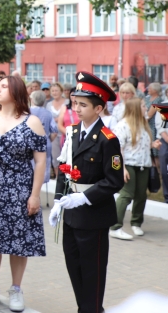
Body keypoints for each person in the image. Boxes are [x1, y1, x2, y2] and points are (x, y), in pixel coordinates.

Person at [49, 72, 124, 313]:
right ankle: (86, 308)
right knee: (75, 267)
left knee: (92, 270)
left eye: (83, 104)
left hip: (93, 215)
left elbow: (114, 181)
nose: (77, 108)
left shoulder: (107, 139)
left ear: (99, 108)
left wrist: (84, 196)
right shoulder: (71, 132)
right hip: (71, 215)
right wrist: (59, 201)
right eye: (75, 103)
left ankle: (91, 309)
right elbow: (64, 168)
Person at [0, 75, 47, 312]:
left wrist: (35, 195)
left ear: (16, 92)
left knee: (19, 241)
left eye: (4, 86)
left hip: (19, 188)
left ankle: (16, 288)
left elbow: (41, 162)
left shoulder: (32, 121)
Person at [110, 98, 159, 240]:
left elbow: (140, 145)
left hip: (143, 164)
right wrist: (121, 168)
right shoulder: (123, 125)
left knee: (141, 195)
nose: (146, 108)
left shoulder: (143, 123)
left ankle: (136, 223)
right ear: (136, 108)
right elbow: (116, 149)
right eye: (144, 105)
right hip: (128, 165)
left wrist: (153, 145)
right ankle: (115, 226)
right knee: (126, 194)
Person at [30, 90, 58, 184]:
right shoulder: (48, 113)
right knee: (43, 165)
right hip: (45, 142)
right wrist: (48, 140)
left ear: (32, 99)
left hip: (29, 142)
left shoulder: (27, 112)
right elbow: (54, 131)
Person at [153, 102, 168, 203]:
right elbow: (161, 128)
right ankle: (167, 195)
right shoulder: (163, 107)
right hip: (164, 139)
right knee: (164, 170)